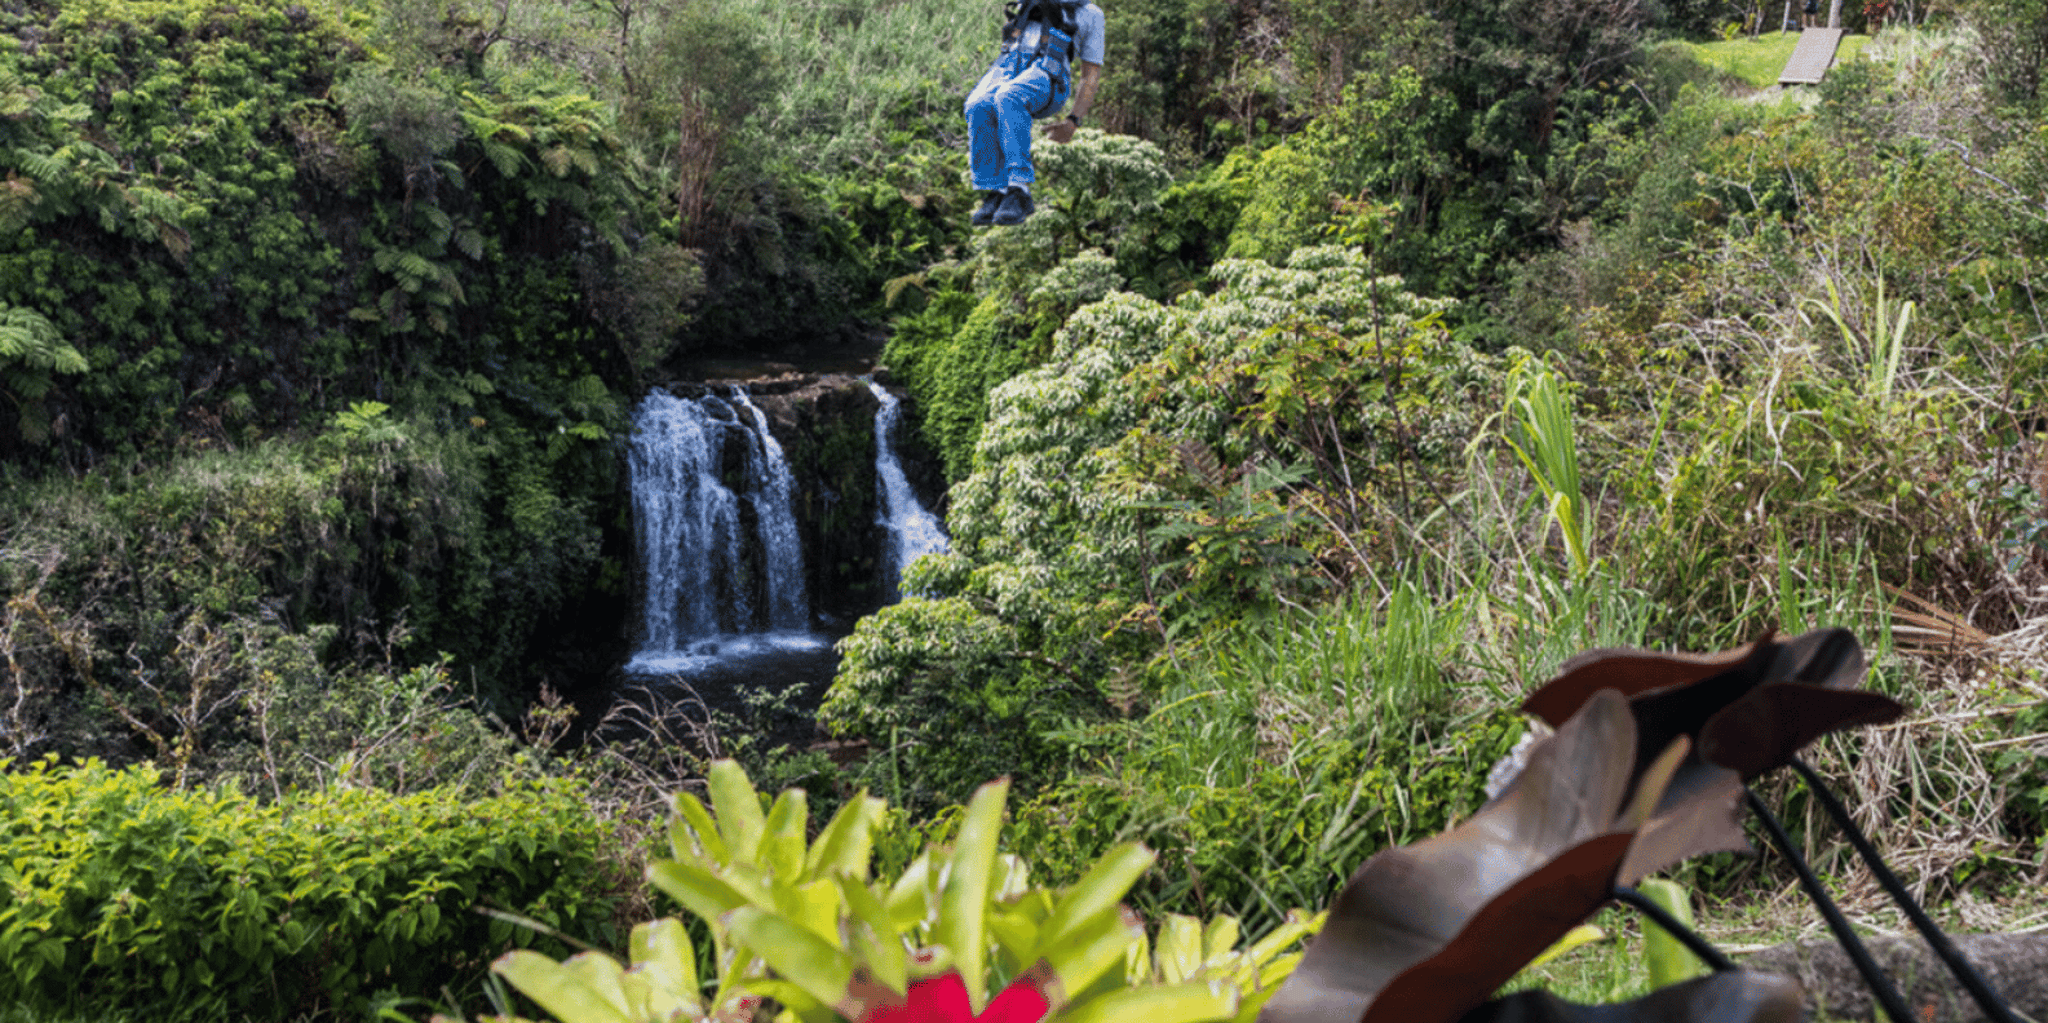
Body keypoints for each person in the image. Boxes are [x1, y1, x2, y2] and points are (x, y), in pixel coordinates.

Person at [963, 0, 1106, 227]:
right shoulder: (1026, 3)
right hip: (1013, 65)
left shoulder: (1090, 14)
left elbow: (1091, 75)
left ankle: (1019, 189)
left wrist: (1073, 120)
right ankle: (997, 190)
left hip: (1050, 75)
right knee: (977, 105)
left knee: (1009, 96)